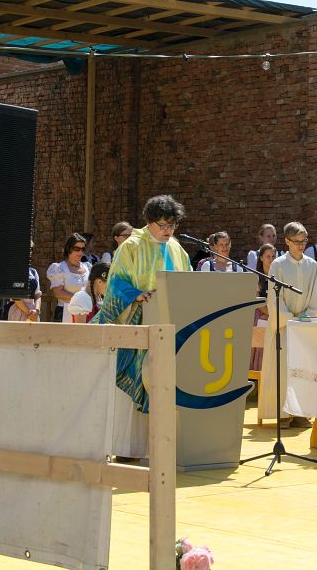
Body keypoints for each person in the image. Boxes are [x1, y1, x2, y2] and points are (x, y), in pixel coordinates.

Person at [92, 195, 192, 458]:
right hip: (138, 321)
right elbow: (116, 283)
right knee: (138, 381)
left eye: (172, 225)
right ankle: (128, 447)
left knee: (163, 384)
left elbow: (189, 280)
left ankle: (158, 448)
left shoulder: (176, 247)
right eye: (163, 225)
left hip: (170, 325)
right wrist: (135, 295)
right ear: (149, 221)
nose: (168, 231)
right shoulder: (132, 246)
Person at [260, 221, 317, 429]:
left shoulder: (312, 265)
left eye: (304, 241)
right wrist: (289, 318)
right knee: (283, 370)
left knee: (304, 370)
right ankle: (283, 414)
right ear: (287, 241)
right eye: (297, 242)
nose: (301, 245)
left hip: (304, 326)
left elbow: (314, 295)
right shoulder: (278, 265)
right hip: (283, 326)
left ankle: (301, 413)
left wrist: (307, 316)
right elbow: (273, 298)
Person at [47, 233, 91, 323]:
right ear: (69, 249)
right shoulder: (59, 268)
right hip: (65, 312)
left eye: (82, 249)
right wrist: (80, 298)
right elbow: (58, 293)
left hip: (85, 313)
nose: (80, 252)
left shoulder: (88, 267)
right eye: (77, 249)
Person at [249, 243, 276, 375]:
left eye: (273, 256)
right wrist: (270, 314)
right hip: (260, 317)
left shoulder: (278, 277)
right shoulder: (256, 277)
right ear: (261, 258)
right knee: (260, 348)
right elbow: (256, 301)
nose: (271, 259)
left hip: (274, 317)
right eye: (267, 256)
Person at [8, 240, 42, 322]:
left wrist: (36, 311)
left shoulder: (33, 272)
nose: (29, 252)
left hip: (33, 312)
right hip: (18, 310)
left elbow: (37, 295)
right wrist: (28, 312)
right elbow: (15, 296)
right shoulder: (13, 271)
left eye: (30, 249)